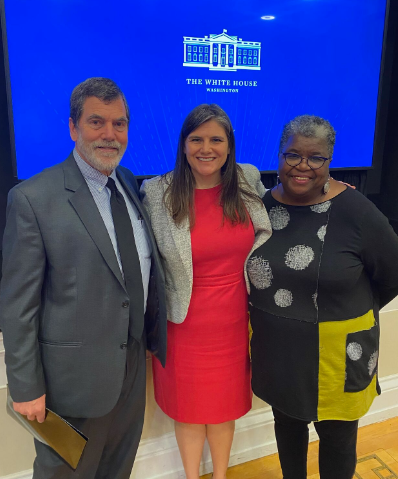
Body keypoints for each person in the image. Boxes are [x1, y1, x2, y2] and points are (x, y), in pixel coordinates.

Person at [0, 77, 167, 479]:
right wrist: (24, 387)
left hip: (130, 367)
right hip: (71, 381)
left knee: (117, 466)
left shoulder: (128, 182)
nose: (110, 134)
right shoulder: (34, 199)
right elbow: (18, 303)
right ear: (73, 127)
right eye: (97, 122)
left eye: (119, 123)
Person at [247, 114, 398, 479]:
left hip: (339, 355)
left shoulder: (356, 210)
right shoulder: (261, 207)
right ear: (279, 156)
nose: (303, 166)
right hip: (278, 351)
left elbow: (391, 274)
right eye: (293, 155)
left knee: (337, 441)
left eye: (316, 158)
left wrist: (342, 304)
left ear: (330, 161)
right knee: (286, 427)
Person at [140, 104, 272, 479]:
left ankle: (221, 476)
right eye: (196, 139)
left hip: (233, 319)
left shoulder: (247, 181)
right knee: (190, 409)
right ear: (183, 146)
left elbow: (280, 216)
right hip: (183, 324)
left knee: (223, 407)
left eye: (216, 139)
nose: (206, 148)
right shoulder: (157, 191)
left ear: (230, 147)